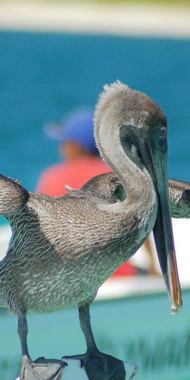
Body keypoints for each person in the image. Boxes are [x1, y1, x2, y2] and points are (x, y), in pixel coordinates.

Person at [37, 108, 157, 277]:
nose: (62, 149)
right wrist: (153, 269)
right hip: (115, 273)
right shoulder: (118, 176)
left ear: (77, 147)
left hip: (65, 278)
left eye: (66, 143)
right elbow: (143, 224)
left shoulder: (52, 178)